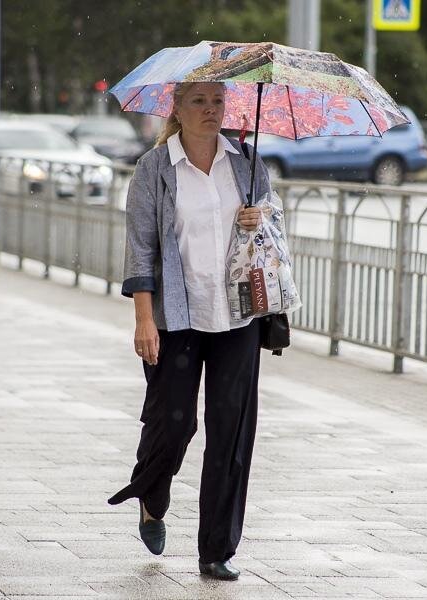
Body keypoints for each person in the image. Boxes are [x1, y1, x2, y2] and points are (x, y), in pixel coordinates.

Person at [107, 81, 271, 581]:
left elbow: (273, 237)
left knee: (231, 433)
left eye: (217, 101)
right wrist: (142, 319)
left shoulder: (247, 163)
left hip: (236, 317)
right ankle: (152, 496)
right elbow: (141, 246)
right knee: (173, 423)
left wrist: (256, 220)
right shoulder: (154, 169)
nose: (209, 110)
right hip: (175, 318)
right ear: (176, 107)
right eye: (198, 101)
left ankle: (216, 550)